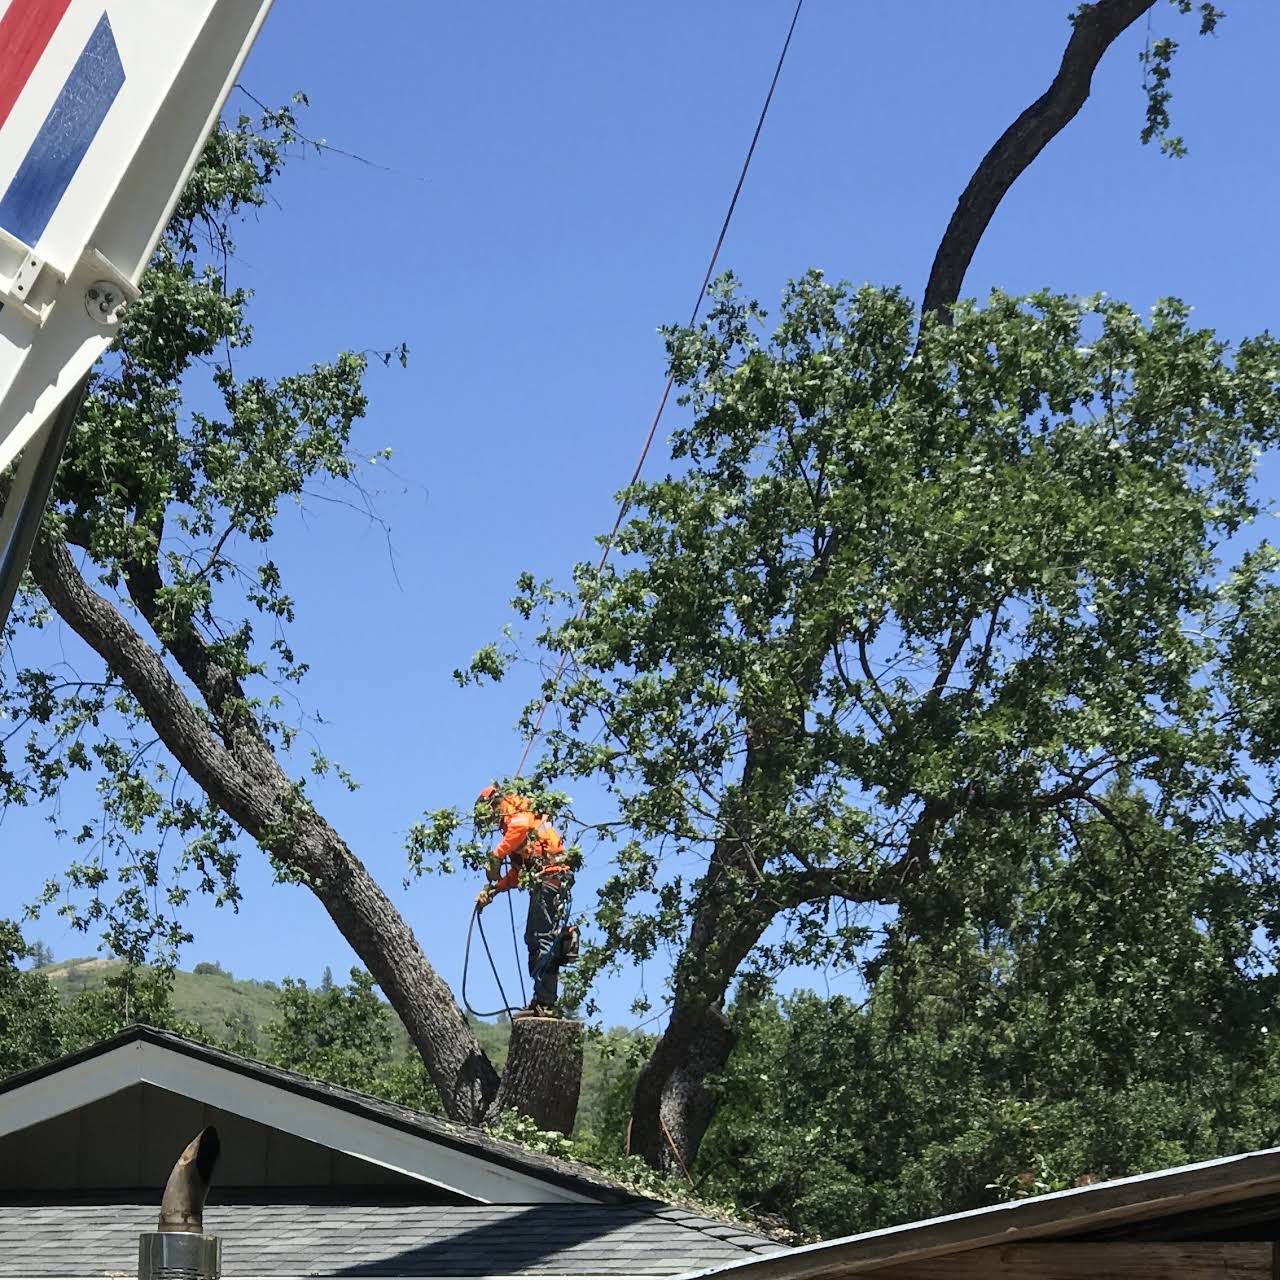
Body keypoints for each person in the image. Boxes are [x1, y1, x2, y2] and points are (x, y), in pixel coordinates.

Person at [474, 785, 574, 1019]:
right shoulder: (517, 827)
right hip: (548, 878)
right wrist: (494, 890)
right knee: (536, 937)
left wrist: (495, 857)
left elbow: (519, 828)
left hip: (549, 876)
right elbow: (519, 873)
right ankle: (543, 998)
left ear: (493, 805)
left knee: (540, 938)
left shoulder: (516, 815)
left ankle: (545, 1003)